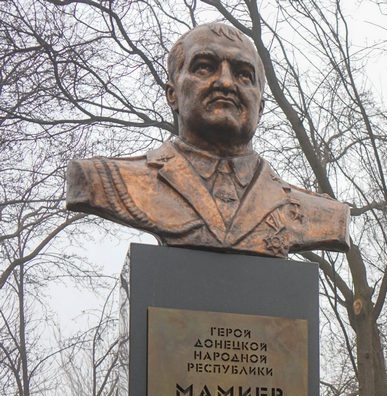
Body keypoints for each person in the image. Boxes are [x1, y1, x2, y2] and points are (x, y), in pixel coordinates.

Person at [66, 23, 349, 258]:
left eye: (243, 74)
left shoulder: (323, 215)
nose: (226, 83)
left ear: (260, 107)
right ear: (172, 94)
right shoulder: (106, 180)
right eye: (204, 67)